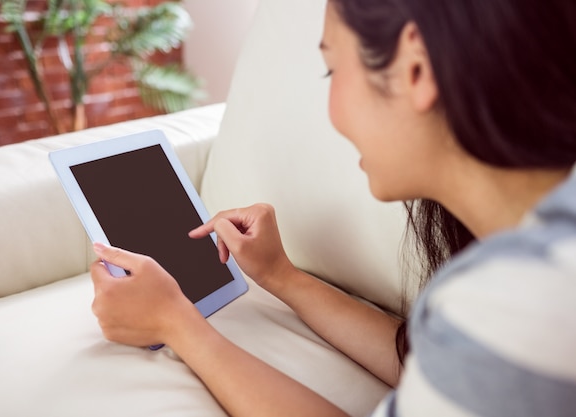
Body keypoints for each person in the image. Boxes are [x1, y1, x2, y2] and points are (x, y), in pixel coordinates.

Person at [90, 0, 576, 415]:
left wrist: (178, 325)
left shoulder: (518, 305)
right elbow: (443, 364)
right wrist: (282, 275)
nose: (330, 109)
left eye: (332, 68)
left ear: (416, 67)